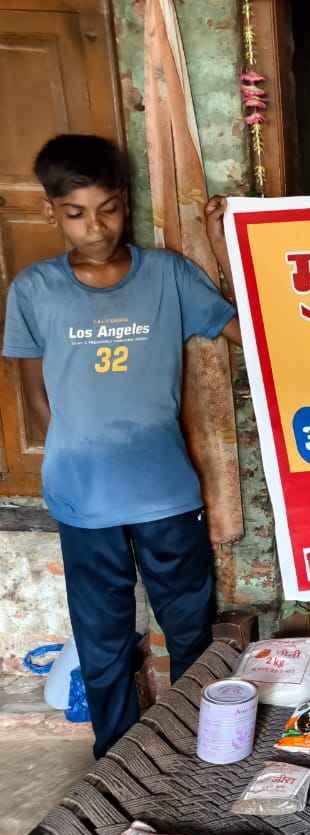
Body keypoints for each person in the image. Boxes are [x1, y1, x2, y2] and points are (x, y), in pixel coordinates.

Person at [2, 134, 242, 758]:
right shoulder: (34, 290)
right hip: (83, 497)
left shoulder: (167, 275)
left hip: (166, 491)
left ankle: (198, 752)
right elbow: (36, 396)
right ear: (52, 211)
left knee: (190, 632)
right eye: (76, 213)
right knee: (102, 642)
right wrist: (77, 457)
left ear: (124, 204)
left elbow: (243, 331)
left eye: (107, 209)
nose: (95, 227)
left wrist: (226, 243)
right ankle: (116, 756)